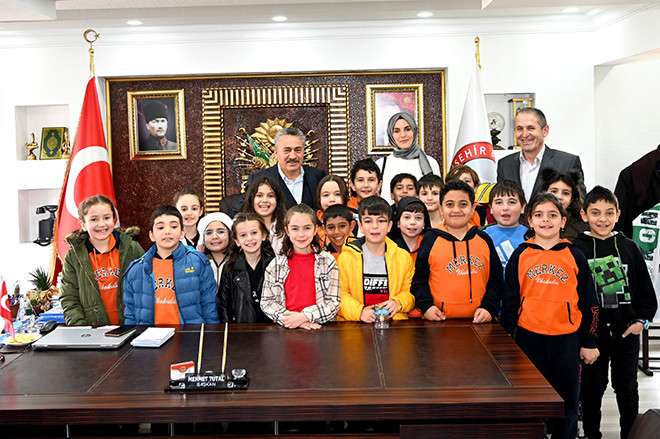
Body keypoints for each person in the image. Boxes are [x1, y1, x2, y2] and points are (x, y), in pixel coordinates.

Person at [501, 192, 599, 439]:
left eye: (552, 215)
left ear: (563, 221)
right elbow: (510, 301)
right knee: (530, 401)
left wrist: (589, 341)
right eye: (539, 215)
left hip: (566, 340)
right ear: (530, 221)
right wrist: (507, 342)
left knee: (566, 403)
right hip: (528, 339)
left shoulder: (575, 255)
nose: (546, 220)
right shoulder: (520, 255)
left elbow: (590, 302)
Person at [574, 186, 658, 439]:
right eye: (595, 212)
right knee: (592, 389)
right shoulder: (576, 249)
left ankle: (630, 435)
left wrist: (641, 322)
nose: (603, 219)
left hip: (626, 333)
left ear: (618, 214)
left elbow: (646, 293)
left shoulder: (629, 247)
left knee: (627, 388)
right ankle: (591, 434)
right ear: (584, 215)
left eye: (609, 212)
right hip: (591, 336)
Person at [411, 180, 502, 322]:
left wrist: (489, 308)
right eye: (449, 204)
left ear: (473, 208)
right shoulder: (430, 239)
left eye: (463, 204)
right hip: (438, 320)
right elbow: (419, 281)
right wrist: (427, 307)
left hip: (479, 320)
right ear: (441, 209)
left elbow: (496, 280)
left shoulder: (484, 239)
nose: (456, 210)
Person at [123, 205, 219, 325]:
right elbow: (130, 315)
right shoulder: (136, 269)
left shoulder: (198, 262)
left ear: (182, 233)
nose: (167, 231)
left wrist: (210, 333)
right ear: (151, 235)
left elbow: (210, 306)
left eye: (173, 226)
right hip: (150, 335)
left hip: (190, 334)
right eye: (160, 227)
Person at [61, 195, 144, 326]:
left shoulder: (132, 248)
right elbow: (69, 298)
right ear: (83, 224)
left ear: (114, 220)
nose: (101, 224)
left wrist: (141, 323)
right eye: (94, 219)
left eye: (106, 218)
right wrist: (80, 329)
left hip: (131, 327)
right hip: (92, 331)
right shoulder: (73, 256)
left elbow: (146, 289)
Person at [260, 204, 340, 329]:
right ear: (287, 231)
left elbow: (333, 303)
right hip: (287, 328)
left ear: (315, 230)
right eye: (295, 229)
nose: (301, 234)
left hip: (318, 328)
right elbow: (267, 303)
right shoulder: (276, 265)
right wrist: (292, 320)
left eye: (307, 228)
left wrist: (305, 316)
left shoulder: (327, 261)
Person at [337, 196, 415, 322]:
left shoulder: (403, 258)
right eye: (368, 221)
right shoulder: (346, 258)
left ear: (389, 226)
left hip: (394, 325)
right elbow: (340, 295)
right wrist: (360, 312)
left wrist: (398, 303)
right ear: (360, 226)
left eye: (381, 221)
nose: (375, 226)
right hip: (357, 324)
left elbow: (410, 294)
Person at [496, 107, 585, 202]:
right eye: (519, 129)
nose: (524, 134)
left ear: (545, 130)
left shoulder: (568, 163)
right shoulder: (504, 164)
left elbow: (579, 203)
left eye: (531, 128)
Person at [247, 127, 326, 210]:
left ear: (303, 151)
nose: (293, 156)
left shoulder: (318, 177)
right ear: (276, 152)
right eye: (287, 150)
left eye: (297, 150)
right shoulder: (258, 179)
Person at [217, 213, 276, 323]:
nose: (249, 238)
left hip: (272, 328)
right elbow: (223, 306)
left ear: (263, 235)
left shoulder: (275, 264)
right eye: (243, 235)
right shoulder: (230, 267)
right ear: (237, 241)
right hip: (241, 329)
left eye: (254, 233)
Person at [375, 112, 441, 202]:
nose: (403, 135)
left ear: (414, 131)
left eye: (407, 129)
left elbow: (437, 197)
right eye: (396, 131)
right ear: (390, 134)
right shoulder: (381, 164)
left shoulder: (430, 162)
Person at [482, 180, 528, 270]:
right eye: (499, 202)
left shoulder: (531, 235)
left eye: (512, 202)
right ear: (491, 208)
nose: (505, 208)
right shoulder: (482, 236)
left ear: (523, 207)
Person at [539, 168, 588, 241]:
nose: (559, 197)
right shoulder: (534, 221)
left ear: (572, 198)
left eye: (565, 193)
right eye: (554, 191)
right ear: (544, 193)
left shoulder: (581, 229)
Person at [243, 175, 286, 255]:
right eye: (259, 195)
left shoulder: (288, 226)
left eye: (270, 196)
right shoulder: (240, 225)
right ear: (251, 199)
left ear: (277, 200)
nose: (265, 200)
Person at [196, 212, 233, 287]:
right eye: (209, 233)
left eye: (221, 232)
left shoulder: (239, 261)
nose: (214, 237)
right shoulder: (197, 263)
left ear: (230, 235)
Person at [315, 175, 350, 247]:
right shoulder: (312, 222)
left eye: (337, 194)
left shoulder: (354, 222)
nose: (331, 199)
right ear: (319, 198)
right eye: (326, 195)